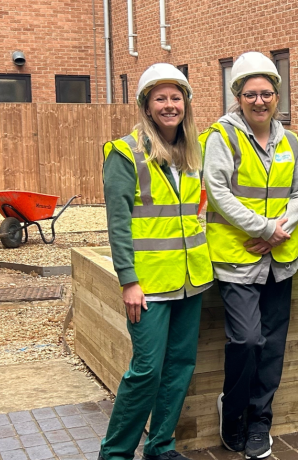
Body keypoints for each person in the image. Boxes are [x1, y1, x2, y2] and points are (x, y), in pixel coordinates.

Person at [99, 63, 212, 460]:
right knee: (146, 371)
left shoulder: (191, 153)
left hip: (190, 279)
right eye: (160, 98)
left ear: (186, 103)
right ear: (146, 106)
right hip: (148, 286)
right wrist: (128, 280)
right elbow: (118, 225)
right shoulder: (124, 153)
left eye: (175, 98)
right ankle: (114, 454)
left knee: (180, 365)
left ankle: (161, 446)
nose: (169, 105)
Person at [202, 51, 298, 460]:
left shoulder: (291, 140)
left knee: (273, 347)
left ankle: (259, 421)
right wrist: (264, 229)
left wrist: (279, 231)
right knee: (247, 339)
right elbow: (218, 191)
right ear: (238, 96)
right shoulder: (222, 136)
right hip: (238, 260)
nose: (260, 101)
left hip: (281, 261)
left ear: (277, 96)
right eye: (251, 94)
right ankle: (233, 415)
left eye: (267, 93)